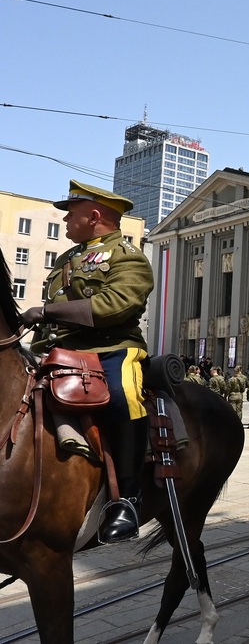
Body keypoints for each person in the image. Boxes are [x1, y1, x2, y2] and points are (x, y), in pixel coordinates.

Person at [20, 180, 153, 543]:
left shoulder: (129, 258)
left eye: (71, 213)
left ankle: (127, 498)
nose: (64, 219)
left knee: (125, 396)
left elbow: (114, 306)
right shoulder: (66, 260)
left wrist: (47, 311)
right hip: (62, 351)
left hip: (111, 347)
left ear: (94, 216)